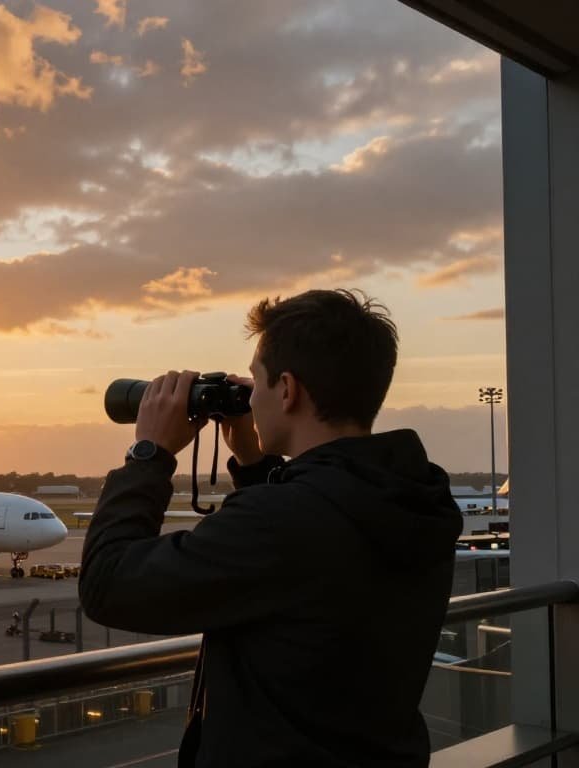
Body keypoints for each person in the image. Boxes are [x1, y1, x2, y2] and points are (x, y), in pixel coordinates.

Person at [79, 289, 461, 767]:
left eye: (256, 382)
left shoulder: (285, 521)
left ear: (287, 389)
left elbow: (108, 584)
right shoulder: (413, 496)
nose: (252, 397)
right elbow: (303, 582)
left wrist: (149, 455)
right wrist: (256, 464)